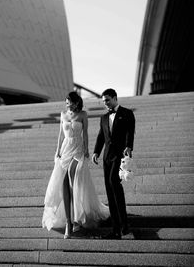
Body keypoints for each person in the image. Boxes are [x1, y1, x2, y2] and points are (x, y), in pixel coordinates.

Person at [42, 91, 109, 239]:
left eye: (69, 102)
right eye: (66, 102)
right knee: (64, 183)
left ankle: (77, 215)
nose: (67, 105)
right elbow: (60, 135)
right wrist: (57, 151)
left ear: (76, 102)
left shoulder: (83, 115)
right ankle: (68, 222)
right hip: (65, 150)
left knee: (75, 178)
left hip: (78, 150)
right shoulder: (63, 114)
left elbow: (85, 133)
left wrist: (86, 149)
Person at [92, 88, 135, 239]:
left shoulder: (127, 113)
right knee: (110, 190)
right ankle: (116, 229)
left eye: (108, 100)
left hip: (120, 155)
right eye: (104, 101)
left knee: (114, 183)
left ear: (115, 98)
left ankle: (124, 225)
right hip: (107, 157)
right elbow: (101, 136)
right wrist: (96, 152)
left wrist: (129, 146)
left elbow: (130, 131)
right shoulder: (103, 118)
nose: (106, 104)